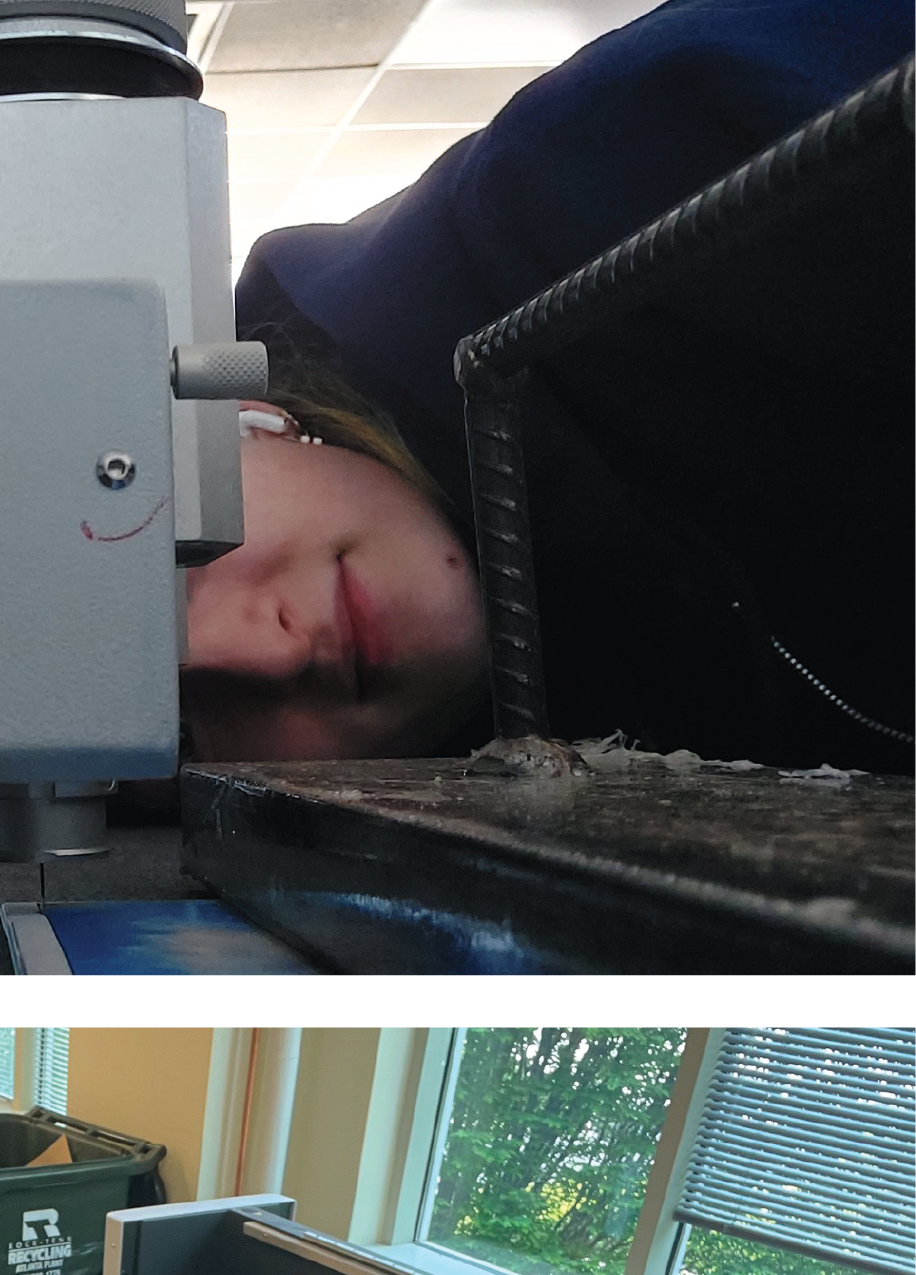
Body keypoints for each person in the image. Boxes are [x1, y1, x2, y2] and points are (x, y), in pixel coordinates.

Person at [180, 0, 916, 772]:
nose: (260, 654)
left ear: (241, 415)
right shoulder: (536, 794)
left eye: (172, 564)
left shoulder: (620, 168)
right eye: (181, 735)